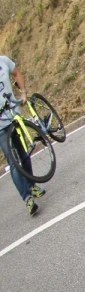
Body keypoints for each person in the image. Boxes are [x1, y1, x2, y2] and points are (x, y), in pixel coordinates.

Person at [0, 54, 43, 216]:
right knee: (13, 161)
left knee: (23, 152)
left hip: (13, 115)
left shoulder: (3, 61)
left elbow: (17, 73)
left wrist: (23, 93)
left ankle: (32, 185)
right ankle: (27, 198)